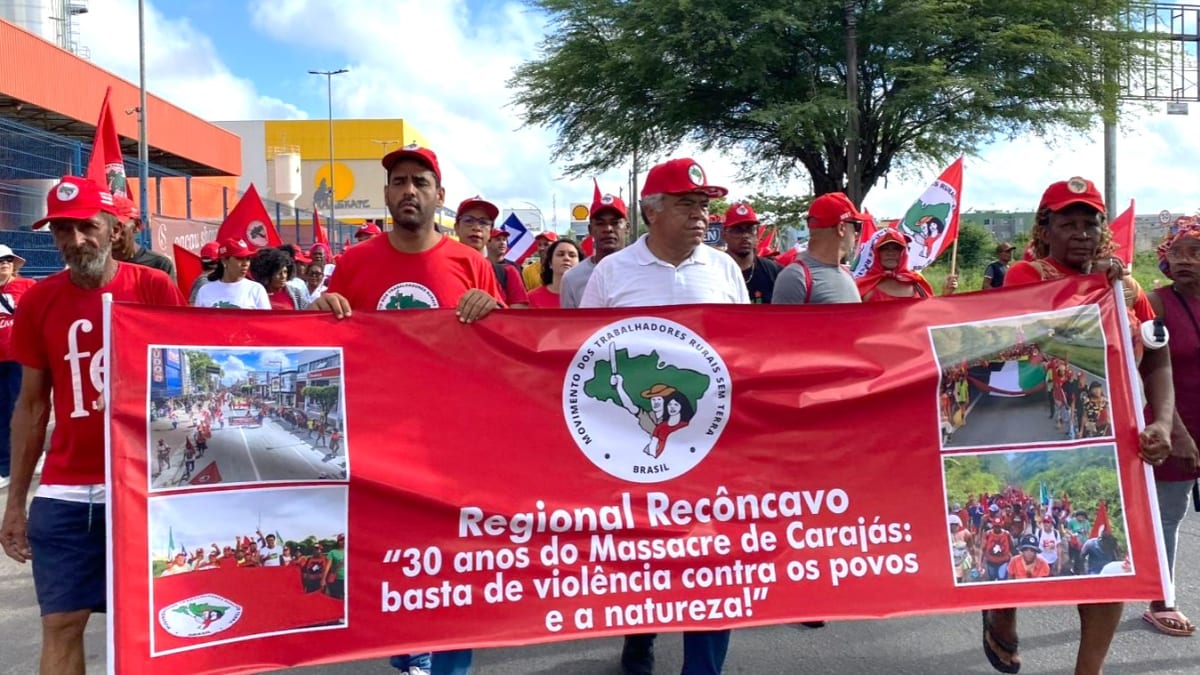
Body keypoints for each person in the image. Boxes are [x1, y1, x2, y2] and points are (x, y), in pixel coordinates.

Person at [311, 143, 500, 675]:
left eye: (420, 181)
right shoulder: (354, 263)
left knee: (453, 559)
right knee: (396, 561)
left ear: (439, 196)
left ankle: (448, 665)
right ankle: (408, 647)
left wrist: (494, 309)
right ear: (387, 194)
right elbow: (322, 338)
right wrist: (319, 309)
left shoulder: (471, 263)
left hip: (451, 444)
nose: (409, 190)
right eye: (399, 181)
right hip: (380, 443)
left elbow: (502, 353)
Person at [981, 177, 1174, 675]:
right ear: (1044, 231)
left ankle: (1089, 670)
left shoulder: (1127, 286)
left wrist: (1167, 423)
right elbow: (1039, 327)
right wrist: (1096, 285)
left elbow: (1156, 354)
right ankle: (1001, 613)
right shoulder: (1026, 273)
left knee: (1110, 563)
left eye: (1091, 222)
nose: (1082, 232)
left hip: (1117, 441)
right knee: (1022, 548)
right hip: (1036, 433)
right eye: (1068, 223)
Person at [0, 176, 186, 675]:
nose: (75, 240)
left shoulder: (154, 288)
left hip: (145, 486)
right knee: (60, 623)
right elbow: (32, 407)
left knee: (160, 622)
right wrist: (16, 502)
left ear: (113, 229)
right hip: (66, 489)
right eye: (62, 229)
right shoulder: (38, 301)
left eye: (86, 226)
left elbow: (188, 385)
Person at [580, 157, 747, 675]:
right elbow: (579, 354)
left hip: (712, 442)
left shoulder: (724, 270)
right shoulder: (611, 274)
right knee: (644, 551)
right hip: (634, 446)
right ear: (652, 211)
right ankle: (640, 631)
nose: (700, 215)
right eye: (686, 204)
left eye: (704, 205)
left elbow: (745, 350)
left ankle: (703, 667)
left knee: (714, 558)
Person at [1143, 221, 1200, 637]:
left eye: (1195, 252)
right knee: (1169, 514)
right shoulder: (1155, 304)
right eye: (1177, 251)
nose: (1184, 260)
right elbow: (1150, 370)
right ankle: (1162, 598)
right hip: (1178, 425)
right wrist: (1175, 431)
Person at [772, 192, 863, 305]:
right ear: (841, 228)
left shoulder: (847, 273)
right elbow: (782, 323)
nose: (857, 235)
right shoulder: (795, 277)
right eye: (857, 226)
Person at [453, 196, 529, 308]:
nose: (477, 227)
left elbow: (519, 320)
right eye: (469, 220)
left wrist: (495, 310)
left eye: (483, 222)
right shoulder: (440, 267)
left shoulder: (508, 273)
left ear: (490, 233)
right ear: (457, 227)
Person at [0, 245, 35, 490]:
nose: (4, 264)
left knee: (17, 410)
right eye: (0, 260)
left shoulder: (28, 286)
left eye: (8, 260)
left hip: (18, 358)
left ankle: (9, 466)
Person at [560, 193, 630, 309]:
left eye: (615, 223)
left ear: (627, 228)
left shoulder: (645, 271)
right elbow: (570, 325)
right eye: (600, 223)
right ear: (590, 229)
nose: (608, 229)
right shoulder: (572, 278)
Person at [854, 228, 940, 301]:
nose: (890, 253)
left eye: (896, 248)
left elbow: (932, 314)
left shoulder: (917, 283)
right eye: (884, 248)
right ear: (876, 253)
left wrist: (947, 294)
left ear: (904, 253)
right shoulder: (863, 287)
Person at [721, 202, 782, 303]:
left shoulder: (773, 270)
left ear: (757, 234)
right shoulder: (714, 271)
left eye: (750, 229)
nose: (745, 235)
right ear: (724, 235)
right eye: (737, 230)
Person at [111, 196, 177, 281]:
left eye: (119, 226)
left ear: (137, 226)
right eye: (108, 225)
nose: (112, 232)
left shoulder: (159, 265)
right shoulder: (97, 265)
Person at [193, 239, 270, 309]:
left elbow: (265, 322)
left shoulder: (256, 289)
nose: (245, 263)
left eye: (248, 259)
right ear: (224, 261)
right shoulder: (205, 290)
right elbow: (197, 321)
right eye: (239, 258)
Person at [528, 239, 582, 308]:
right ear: (550, 263)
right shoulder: (531, 298)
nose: (566, 258)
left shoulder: (590, 297)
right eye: (560, 254)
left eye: (572, 255)